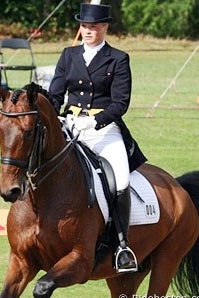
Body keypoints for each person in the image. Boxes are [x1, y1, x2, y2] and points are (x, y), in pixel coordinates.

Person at [49, 3, 147, 272]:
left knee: (121, 180)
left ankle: (122, 245)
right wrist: (55, 115)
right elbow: (55, 94)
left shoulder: (118, 58)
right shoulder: (68, 56)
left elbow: (121, 103)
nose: (88, 31)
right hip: (70, 125)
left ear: (104, 27)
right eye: (84, 26)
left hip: (104, 128)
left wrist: (95, 120)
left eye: (93, 27)